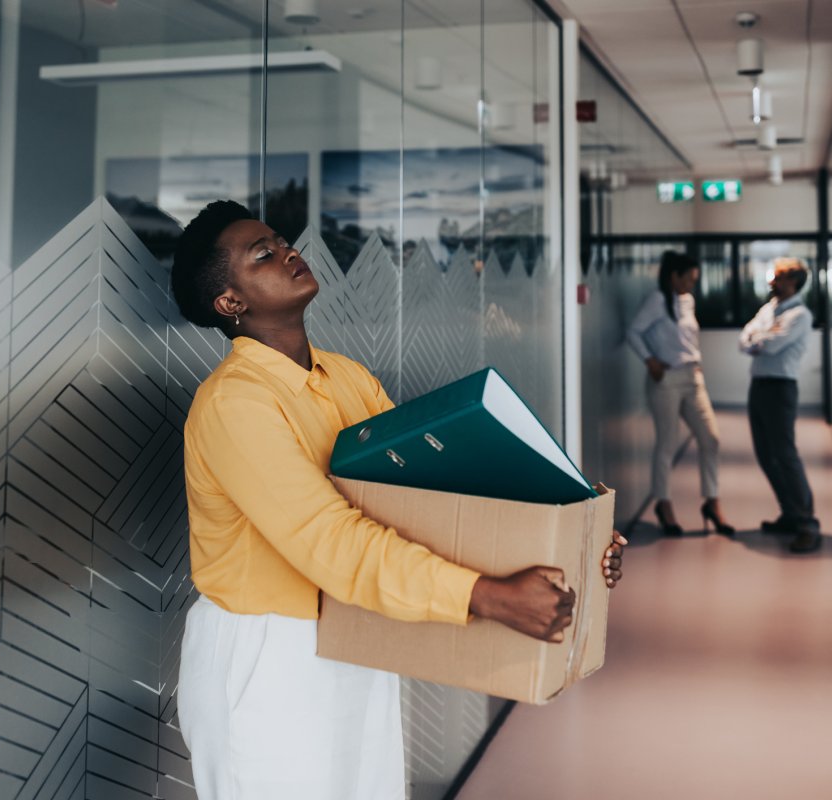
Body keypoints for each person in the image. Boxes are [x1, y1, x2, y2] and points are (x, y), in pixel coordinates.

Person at [170, 200, 626, 799]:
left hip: (354, 630)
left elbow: (431, 490)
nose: (289, 252)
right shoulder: (236, 403)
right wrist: (484, 595)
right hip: (268, 655)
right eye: (264, 254)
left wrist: (571, 532)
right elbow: (330, 541)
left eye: (283, 242)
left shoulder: (345, 377)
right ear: (230, 303)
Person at [626, 250, 733, 536]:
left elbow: (686, 339)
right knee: (667, 444)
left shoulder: (688, 301)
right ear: (673, 276)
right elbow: (634, 332)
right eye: (688, 279)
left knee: (711, 438)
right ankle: (664, 503)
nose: (691, 285)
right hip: (667, 379)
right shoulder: (657, 300)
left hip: (692, 377)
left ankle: (712, 501)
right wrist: (650, 360)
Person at [739, 257, 821, 554]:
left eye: (779, 277)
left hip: (781, 388)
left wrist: (757, 339)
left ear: (794, 282)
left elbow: (768, 345)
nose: (772, 281)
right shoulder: (769, 309)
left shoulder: (800, 315)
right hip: (759, 385)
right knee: (765, 454)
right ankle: (790, 514)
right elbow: (743, 339)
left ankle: (807, 524)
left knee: (785, 455)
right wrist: (758, 338)